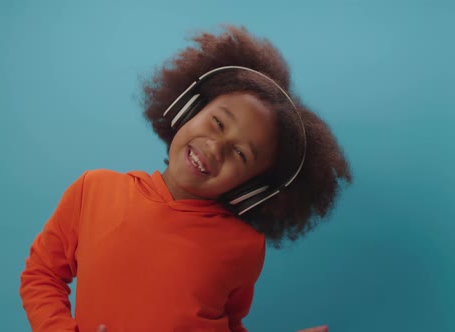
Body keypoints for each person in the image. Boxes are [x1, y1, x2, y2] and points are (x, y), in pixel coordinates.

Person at [19, 25, 351, 332]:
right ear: (187, 109)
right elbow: (42, 274)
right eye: (218, 123)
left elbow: (228, 323)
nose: (215, 147)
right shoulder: (93, 190)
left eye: (240, 154)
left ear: (253, 188)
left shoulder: (246, 246)